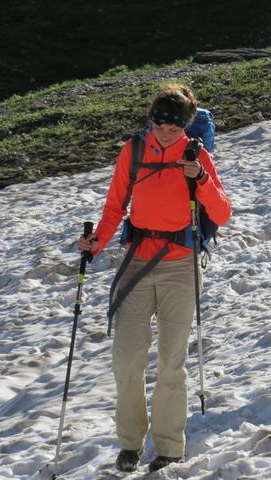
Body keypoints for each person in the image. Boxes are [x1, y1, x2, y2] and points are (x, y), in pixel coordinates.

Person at [78, 83, 231, 472]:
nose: (165, 133)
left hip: (181, 266)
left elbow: (222, 213)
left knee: (171, 361)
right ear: (151, 120)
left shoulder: (196, 156)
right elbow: (115, 207)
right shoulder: (134, 151)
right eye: (159, 125)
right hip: (137, 262)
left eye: (174, 128)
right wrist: (95, 244)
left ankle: (169, 447)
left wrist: (200, 178)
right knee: (127, 357)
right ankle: (130, 443)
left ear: (186, 125)